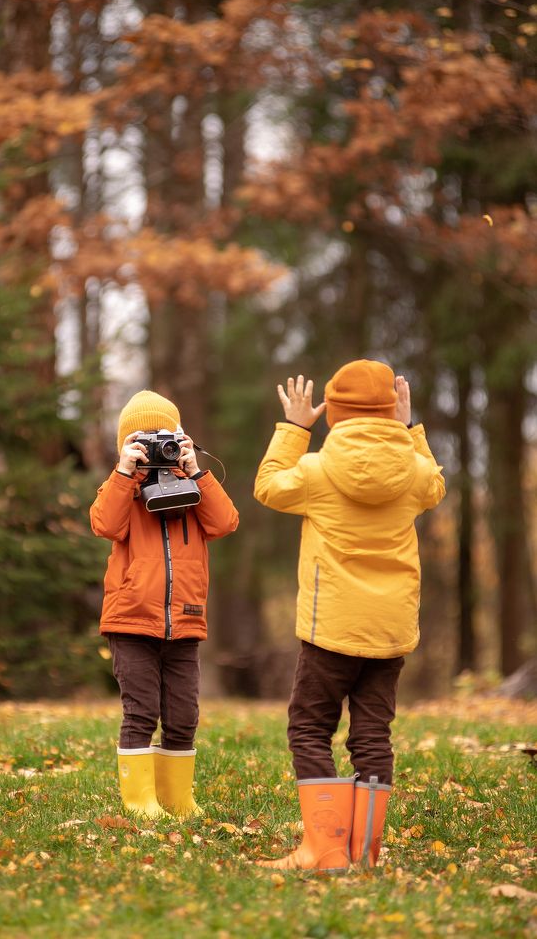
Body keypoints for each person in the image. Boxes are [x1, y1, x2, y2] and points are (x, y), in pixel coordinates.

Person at [253, 360, 445, 871]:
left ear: (334, 414)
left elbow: (267, 487)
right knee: (372, 734)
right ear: (391, 410)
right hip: (390, 630)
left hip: (330, 628)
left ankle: (325, 850)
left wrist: (295, 428)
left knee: (310, 728)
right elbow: (435, 487)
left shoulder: (317, 470)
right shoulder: (416, 471)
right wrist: (411, 430)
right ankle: (364, 851)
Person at [90, 390, 239, 818]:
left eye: (165, 436)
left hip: (185, 622)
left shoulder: (191, 488)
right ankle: (140, 803)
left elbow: (225, 522)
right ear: (127, 443)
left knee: (183, 715)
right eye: (144, 438)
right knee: (141, 712)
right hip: (131, 622)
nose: (156, 446)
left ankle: (176, 799)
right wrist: (125, 471)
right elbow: (104, 523)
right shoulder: (120, 488)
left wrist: (196, 471)